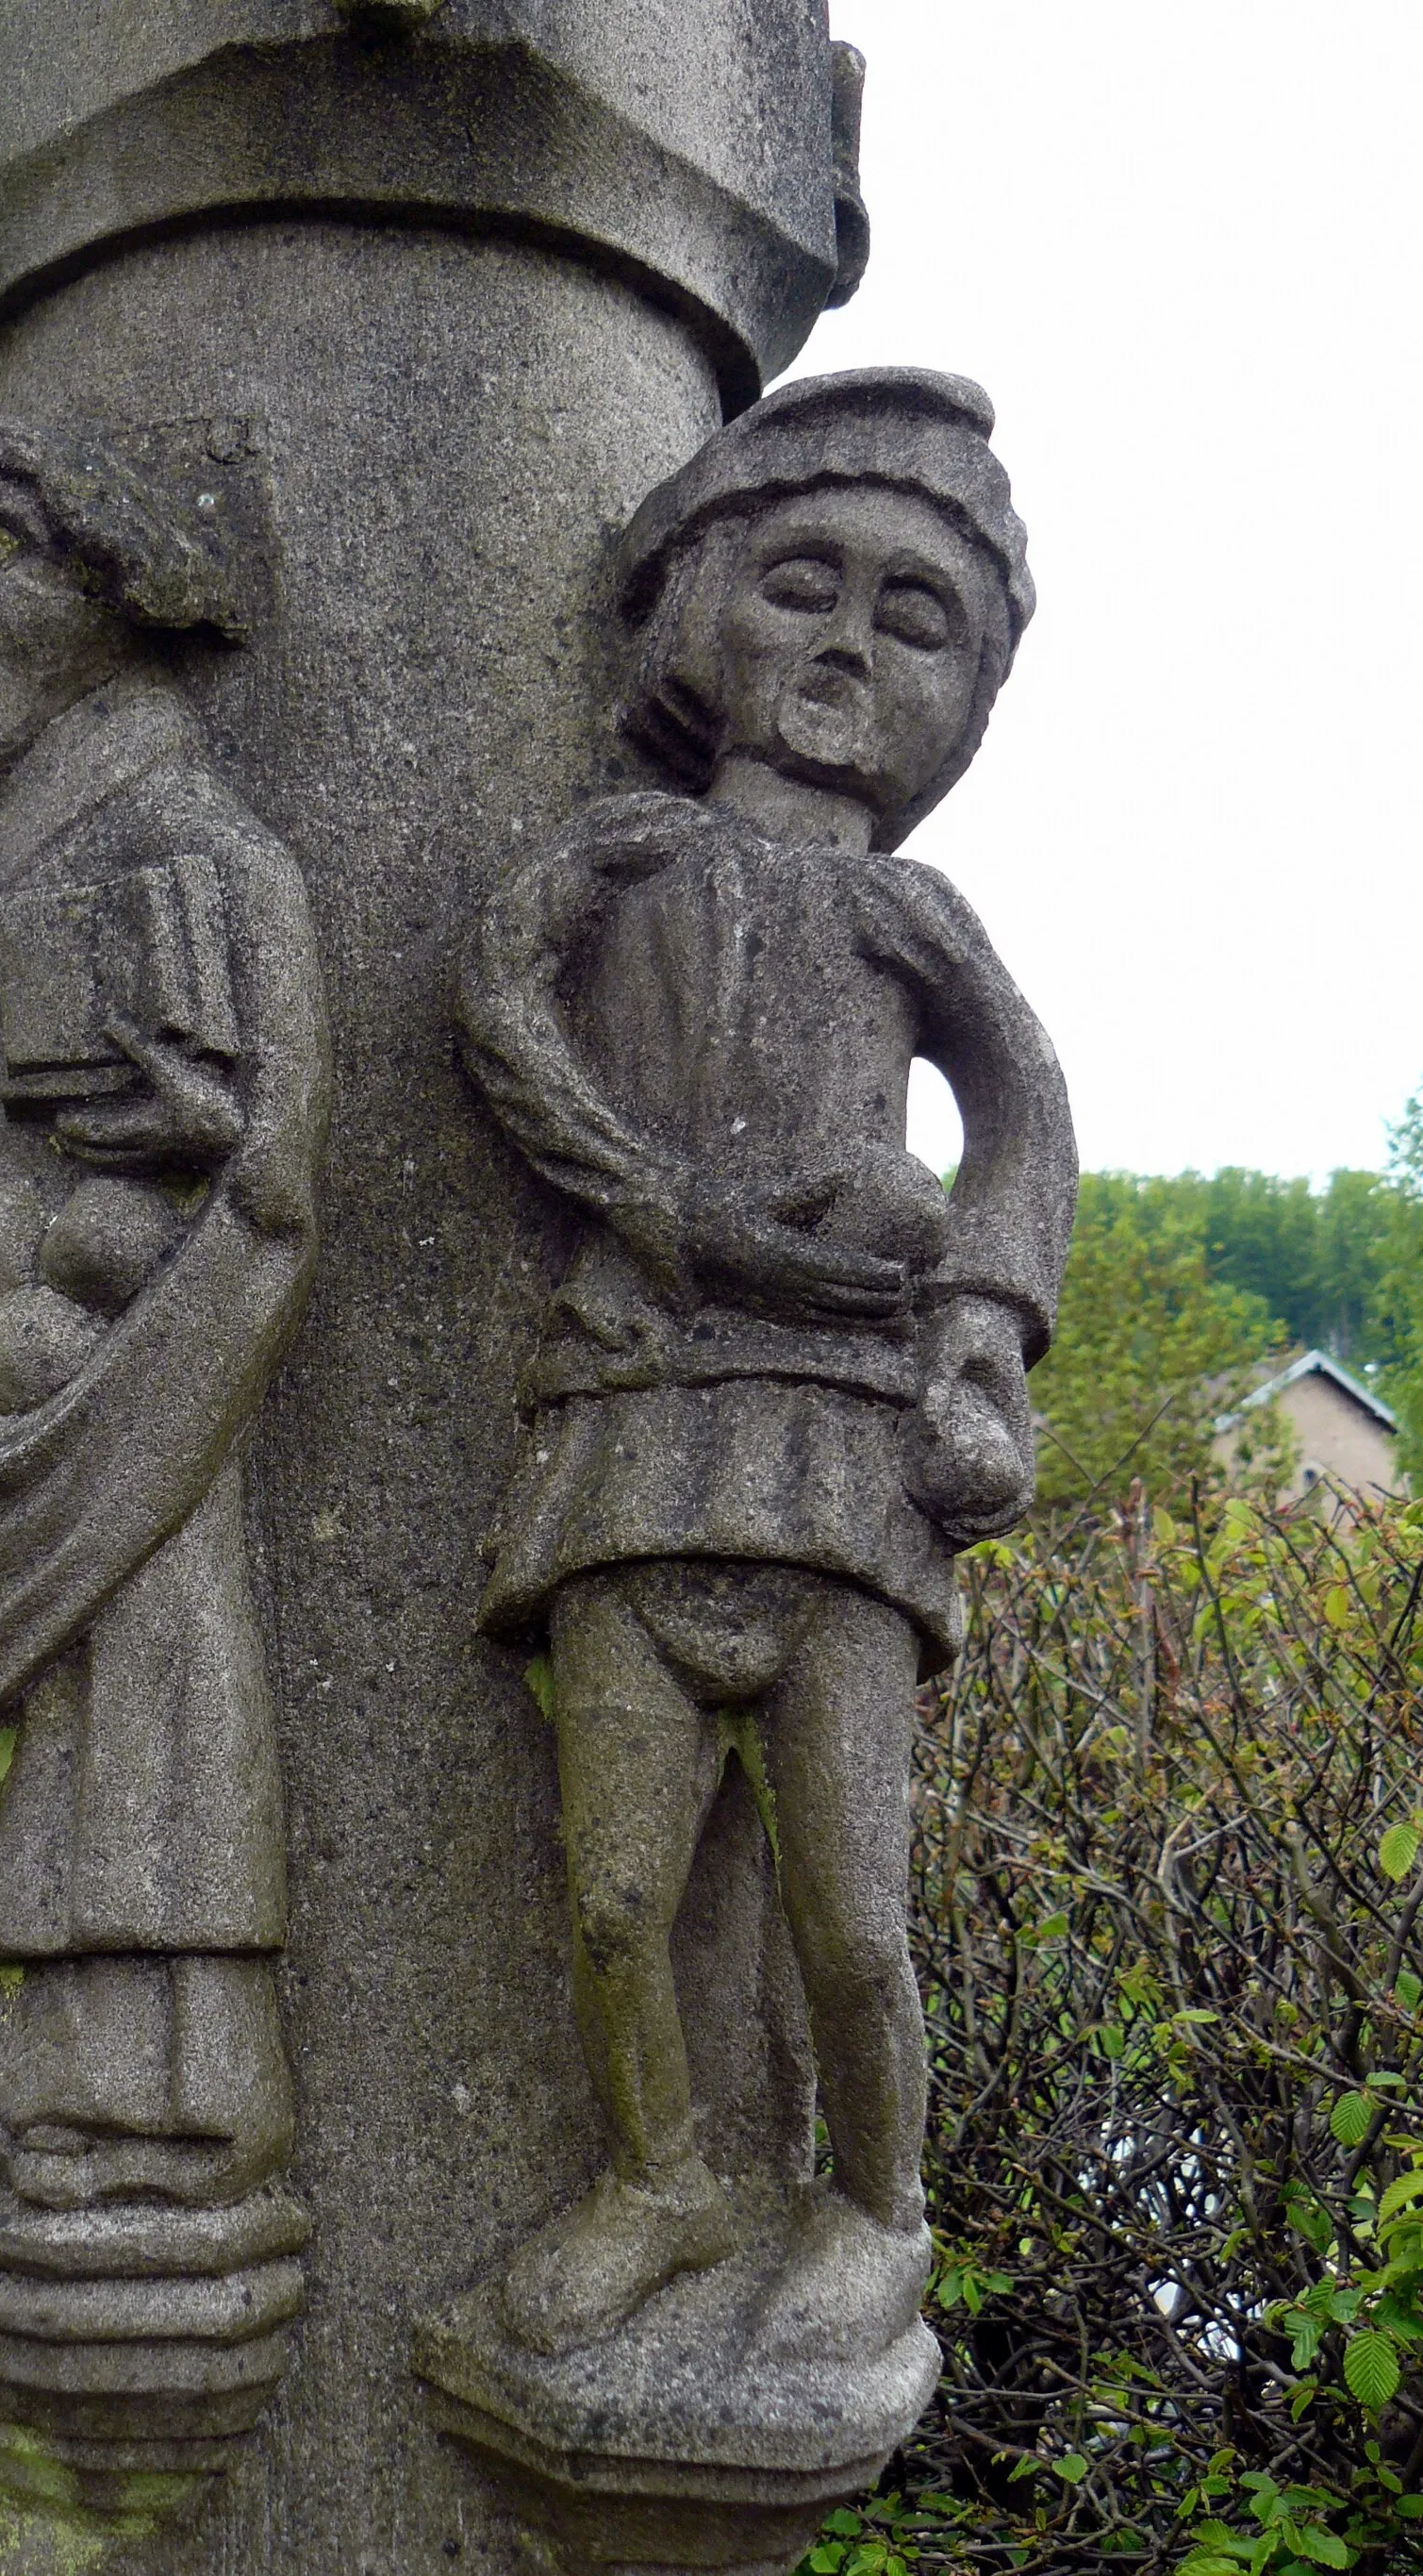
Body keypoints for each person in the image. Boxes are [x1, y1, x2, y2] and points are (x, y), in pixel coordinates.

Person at [456, 369, 1077, 2358]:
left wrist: (977, 1342)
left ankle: (876, 2212)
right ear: (695, 602)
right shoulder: (618, 863)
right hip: (638, 1423)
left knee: (847, 1920)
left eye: (912, 619)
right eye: (801, 583)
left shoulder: (912, 911)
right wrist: (664, 1208)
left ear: (962, 693)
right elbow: (500, 1015)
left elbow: (1023, 1115)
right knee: (619, 1899)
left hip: (842, 1457)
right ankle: (661, 2181)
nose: (839, 643)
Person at [0, 408, 329, 2219]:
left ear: (111, 583)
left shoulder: (185, 841)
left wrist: (208, 1134)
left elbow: (276, 1161)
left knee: (129, 1723)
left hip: (123, 1406)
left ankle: (134, 2101)